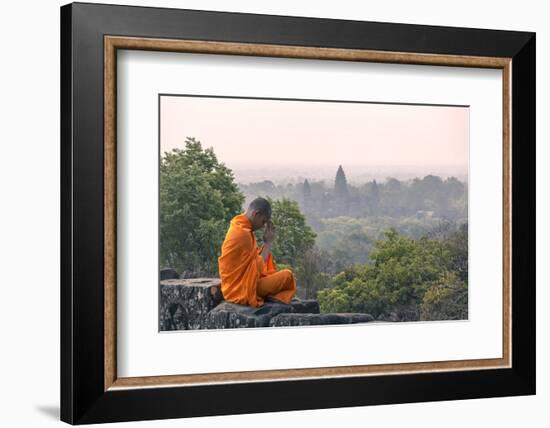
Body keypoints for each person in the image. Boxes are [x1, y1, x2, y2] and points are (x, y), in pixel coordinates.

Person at [218, 197, 297, 308]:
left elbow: (251, 261)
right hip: (242, 289)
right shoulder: (243, 234)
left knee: (274, 274)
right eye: (263, 221)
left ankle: (268, 294)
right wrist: (268, 243)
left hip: (234, 286)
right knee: (287, 276)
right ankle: (270, 296)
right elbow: (257, 267)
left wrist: (265, 243)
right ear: (256, 214)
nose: (262, 226)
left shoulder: (238, 225)